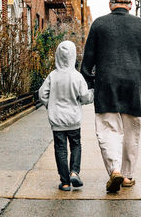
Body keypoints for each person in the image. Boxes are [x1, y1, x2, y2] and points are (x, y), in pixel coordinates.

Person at [80, 0, 141, 193]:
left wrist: (89, 82)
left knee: (108, 130)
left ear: (110, 5)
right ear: (130, 5)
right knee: (131, 131)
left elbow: (87, 61)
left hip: (106, 86)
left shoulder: (99, 24)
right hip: (132, 86)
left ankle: (114, 169)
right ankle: (127, 175)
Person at [39, 40, 94, 191]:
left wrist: (50, 106)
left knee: (60, 149)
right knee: (76, 145)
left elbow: (42, 94)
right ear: (73, 56)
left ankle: (64, 182)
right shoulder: (77, 76)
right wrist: (92, 93)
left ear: (57, 55)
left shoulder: (52, 76)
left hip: (57, 120)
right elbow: (84, 97)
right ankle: (74, 172)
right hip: (73, 119)